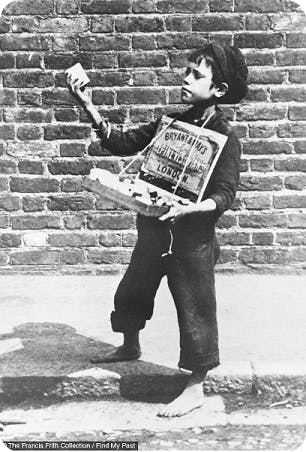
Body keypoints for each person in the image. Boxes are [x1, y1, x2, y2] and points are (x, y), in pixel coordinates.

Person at [67, 42, 248, 418]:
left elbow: (225, 194)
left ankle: (195, 387)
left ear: (219, 91)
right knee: (133, 288)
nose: (186, 77)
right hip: (153, 230)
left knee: (195, 308)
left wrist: (192, 207)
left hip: (192, 240)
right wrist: (88, 105)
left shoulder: (226, 137)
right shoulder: (171, 124)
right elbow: (122, 142)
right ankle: (129, 345)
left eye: (197, 74)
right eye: (187, 70)